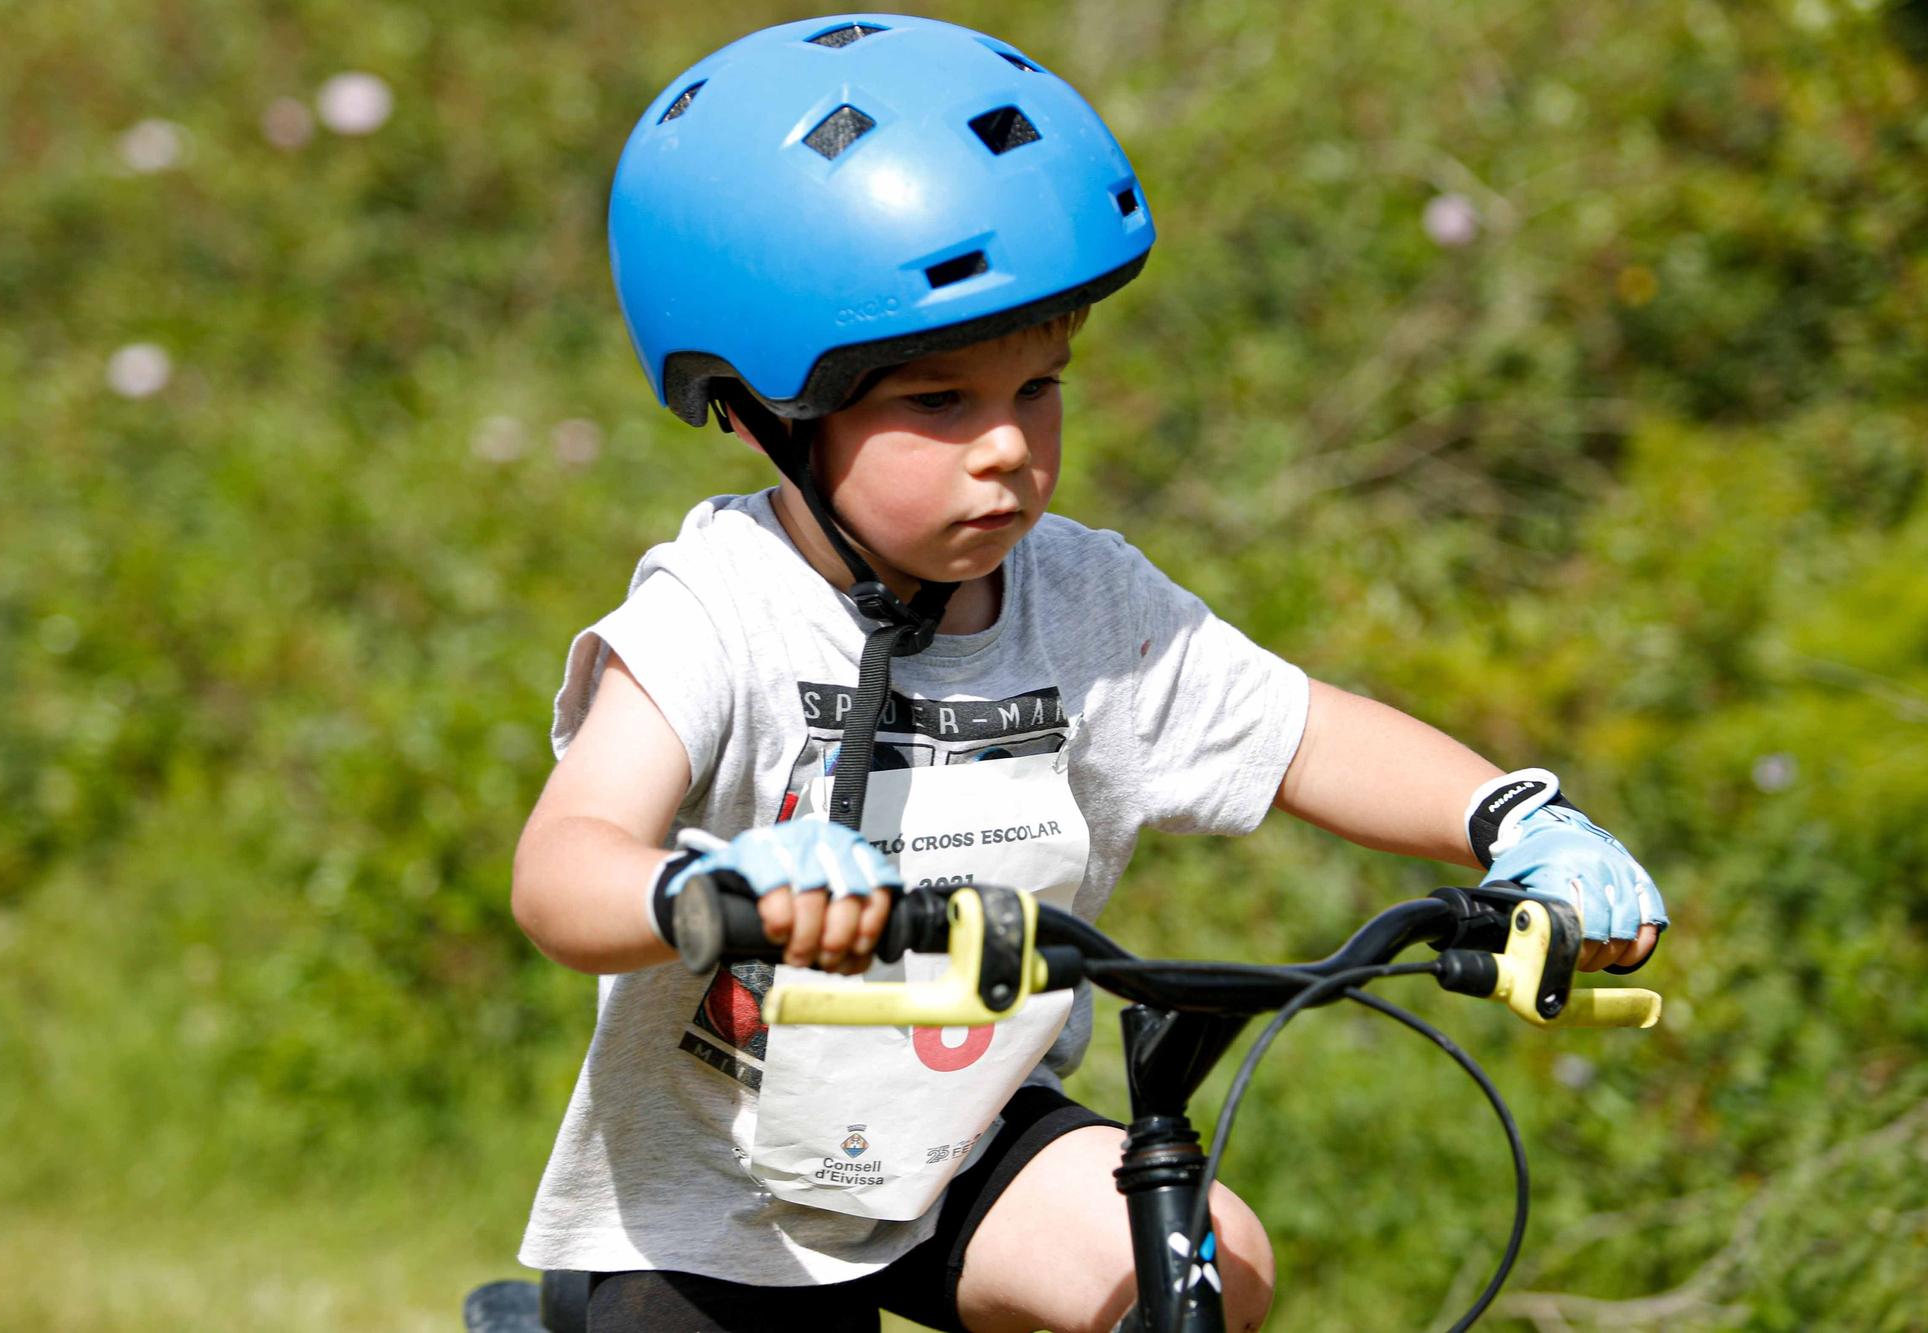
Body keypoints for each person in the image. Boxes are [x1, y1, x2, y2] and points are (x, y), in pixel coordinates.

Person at [509, 15, 1666, 1333]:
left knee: (1195, 1263)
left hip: (960, 1143)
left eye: (1038, 388)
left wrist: (1519, 822)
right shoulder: (719, 608)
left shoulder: (1088, 597)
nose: (1006, 446)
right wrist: (712, 888)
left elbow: (1305, 736)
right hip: (713, 1195)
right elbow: (560, 872)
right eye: (939, 403)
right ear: (761, 405)